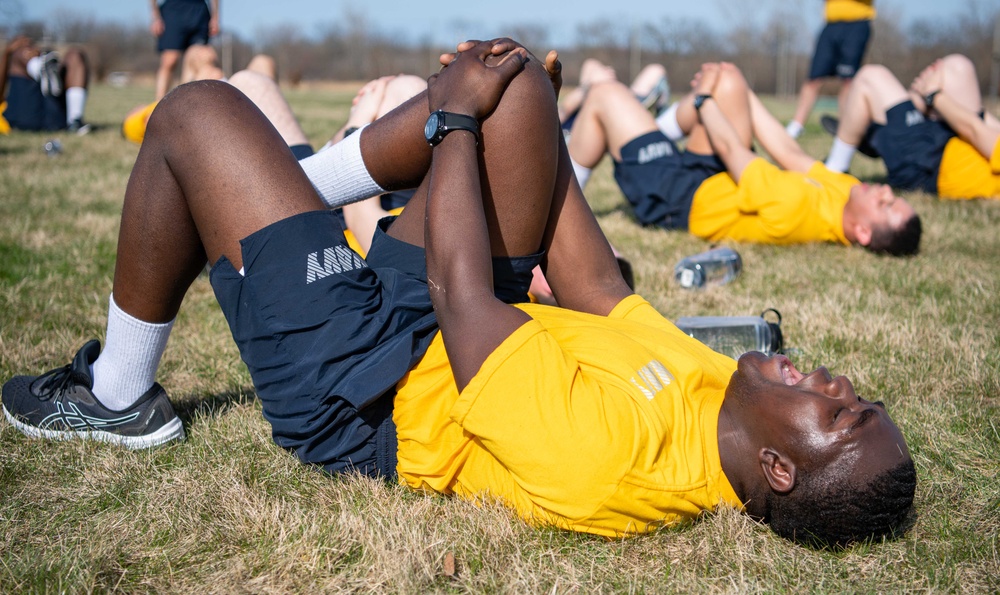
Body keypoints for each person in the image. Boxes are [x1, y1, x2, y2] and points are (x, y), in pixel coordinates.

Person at [1, 39, 915, 548]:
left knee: (197, 111)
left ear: (781, 470)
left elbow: (463, 290)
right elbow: (595, 284)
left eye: (839, 414)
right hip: (443, 322)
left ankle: (120, 395)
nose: (835, 381)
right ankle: (265, 193)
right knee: (512, 76)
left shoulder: (615, 466)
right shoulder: (719, 392)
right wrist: (531, 126)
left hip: (366, 390)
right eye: (854, 393)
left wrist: (452, 121)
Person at [565, 60, 921, 255]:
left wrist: (705, 99)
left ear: (861, 231)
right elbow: (789, 152)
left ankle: (560, 210)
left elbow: (732, 150)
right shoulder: (847, 191)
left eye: (887, 206)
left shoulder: (795, 208)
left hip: (680, 198)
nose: (886, 192)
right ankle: (647, 126)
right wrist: (738, 89)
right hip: (714, 175)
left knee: (604, 93)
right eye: (894, 198)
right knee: (728, 78)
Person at [824, 54, 1000, 200]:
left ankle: (834, 171)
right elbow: (984, 123)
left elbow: (975, 130)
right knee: (958, 67)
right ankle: (876, 129)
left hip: (928, 164)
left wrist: (933, 95)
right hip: (948, 140)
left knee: (869, 77)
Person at [123, 46, 275, 144]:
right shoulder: (135, 123)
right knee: (205, 63)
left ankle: (267, 123)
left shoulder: (150, 110)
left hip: (211, 99)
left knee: (263, 62)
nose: (138, 106)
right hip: (201, 111)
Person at [785, 0, 876, 139]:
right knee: (813, 78)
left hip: (857, 23)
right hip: (831, 24)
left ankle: (845, 129)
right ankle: (796, 126)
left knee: (848, 80)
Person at [0, 35, 91, 134]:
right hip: (21, 117)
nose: (30, 48)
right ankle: (39, 68)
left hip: (56, 118)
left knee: (75, 55)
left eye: (31, 45)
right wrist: (8, 54)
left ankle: (75, 121)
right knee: (19, 53)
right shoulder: (12, 63)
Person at [151, 0, 220, 101]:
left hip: (199, 10)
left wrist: (215, 17)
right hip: (173, 9)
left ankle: (185, 104)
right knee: (170, 60)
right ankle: (157, 106)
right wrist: (156, 17)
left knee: (198, 58)